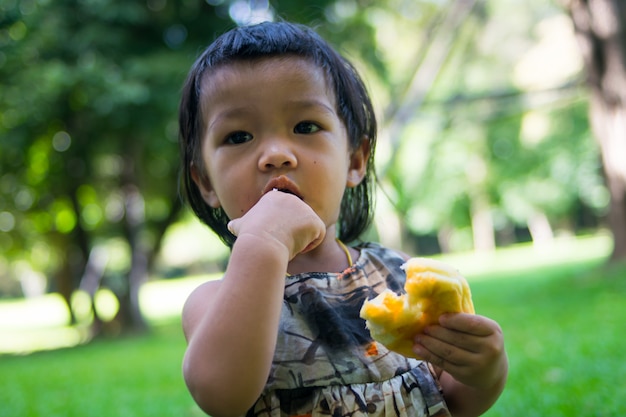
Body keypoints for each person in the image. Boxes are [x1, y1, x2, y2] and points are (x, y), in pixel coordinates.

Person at [178, 21, 508, 417]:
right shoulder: (214, 303)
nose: (276, 154)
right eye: (238, 137)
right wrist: (264, 243)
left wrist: (483, 372)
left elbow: (450, 401)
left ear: (355, 161)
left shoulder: (398, 275)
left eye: (305, 127)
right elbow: (220, 394)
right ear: (206, 183)